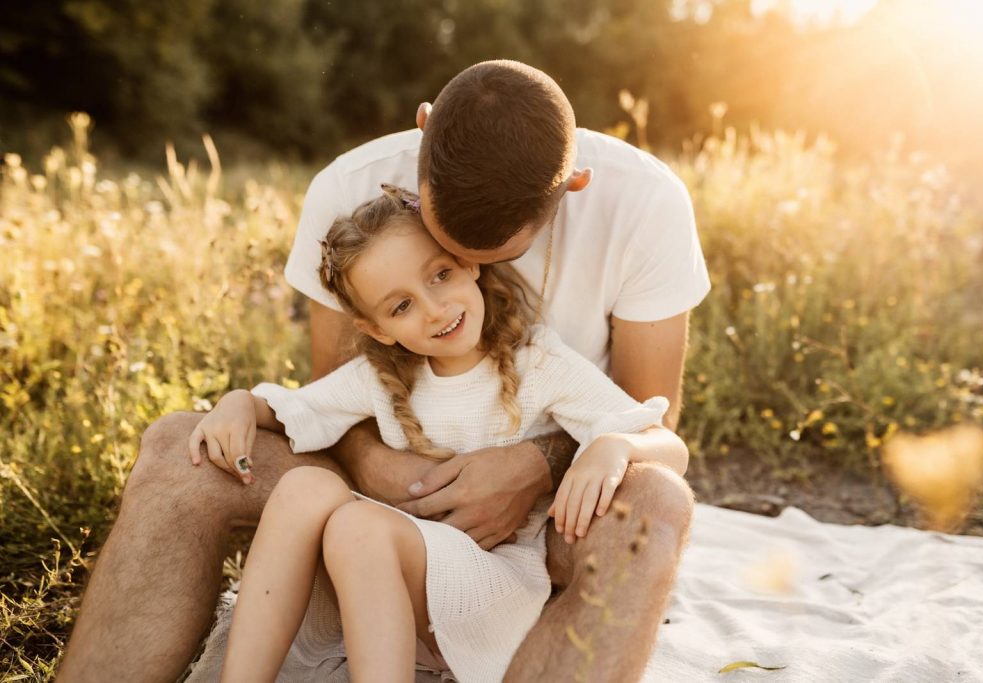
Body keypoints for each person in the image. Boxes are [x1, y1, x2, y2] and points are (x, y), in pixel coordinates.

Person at [58, 60, 710, 682]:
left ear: (574, 184)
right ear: (422, 128)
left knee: (656, 501)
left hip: (542, 525)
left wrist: (535, 464)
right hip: (380, 505)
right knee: (180, 452)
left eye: (458, 268)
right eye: (435, 242)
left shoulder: (643, 206)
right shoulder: (348, 186)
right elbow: (333, 404)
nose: (442, 305)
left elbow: (650, 414)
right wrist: (376, 465)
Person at [196, 185, 687, 682]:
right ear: (377, 329)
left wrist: (616, 444)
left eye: (441, 275)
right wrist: (239, 402)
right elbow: (293, 410)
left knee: (355, 525)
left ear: (468, 262)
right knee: (304, 487)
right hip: (395, 587)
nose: (434, 308)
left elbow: (670, 446)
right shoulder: (383, 377)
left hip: (494, 592)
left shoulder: (536, 361)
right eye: (401, 306)